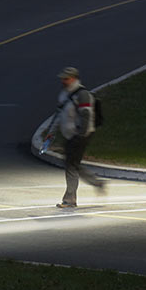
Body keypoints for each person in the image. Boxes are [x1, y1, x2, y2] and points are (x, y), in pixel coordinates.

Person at [46, 66, 105, 208]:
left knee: (70, 165)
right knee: (72, 164)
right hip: (71, 135)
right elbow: (59, 114)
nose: (63, 81)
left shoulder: (83, 95)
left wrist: (81, 134)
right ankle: (96, 182)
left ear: (74, 78)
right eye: (62, 78)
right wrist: (51, 131)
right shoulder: (64, 94)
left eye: (66, 78)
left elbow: (86, 115)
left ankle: (70, 199)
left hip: (80, 135)